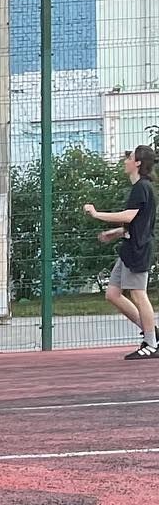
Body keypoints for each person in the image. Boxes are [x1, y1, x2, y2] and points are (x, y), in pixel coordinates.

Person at [85, 147, 157, 359]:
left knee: (138, 294)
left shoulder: (142, 187)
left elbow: (128, 216)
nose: (126, 161)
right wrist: (116, 233)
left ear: (138, 163)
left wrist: (96, 214)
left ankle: (151, 344)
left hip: (138, 250)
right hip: (128, 248)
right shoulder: (139, 188)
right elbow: (138, 222)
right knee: (113, 294)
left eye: (130, 158)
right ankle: (152, 332)